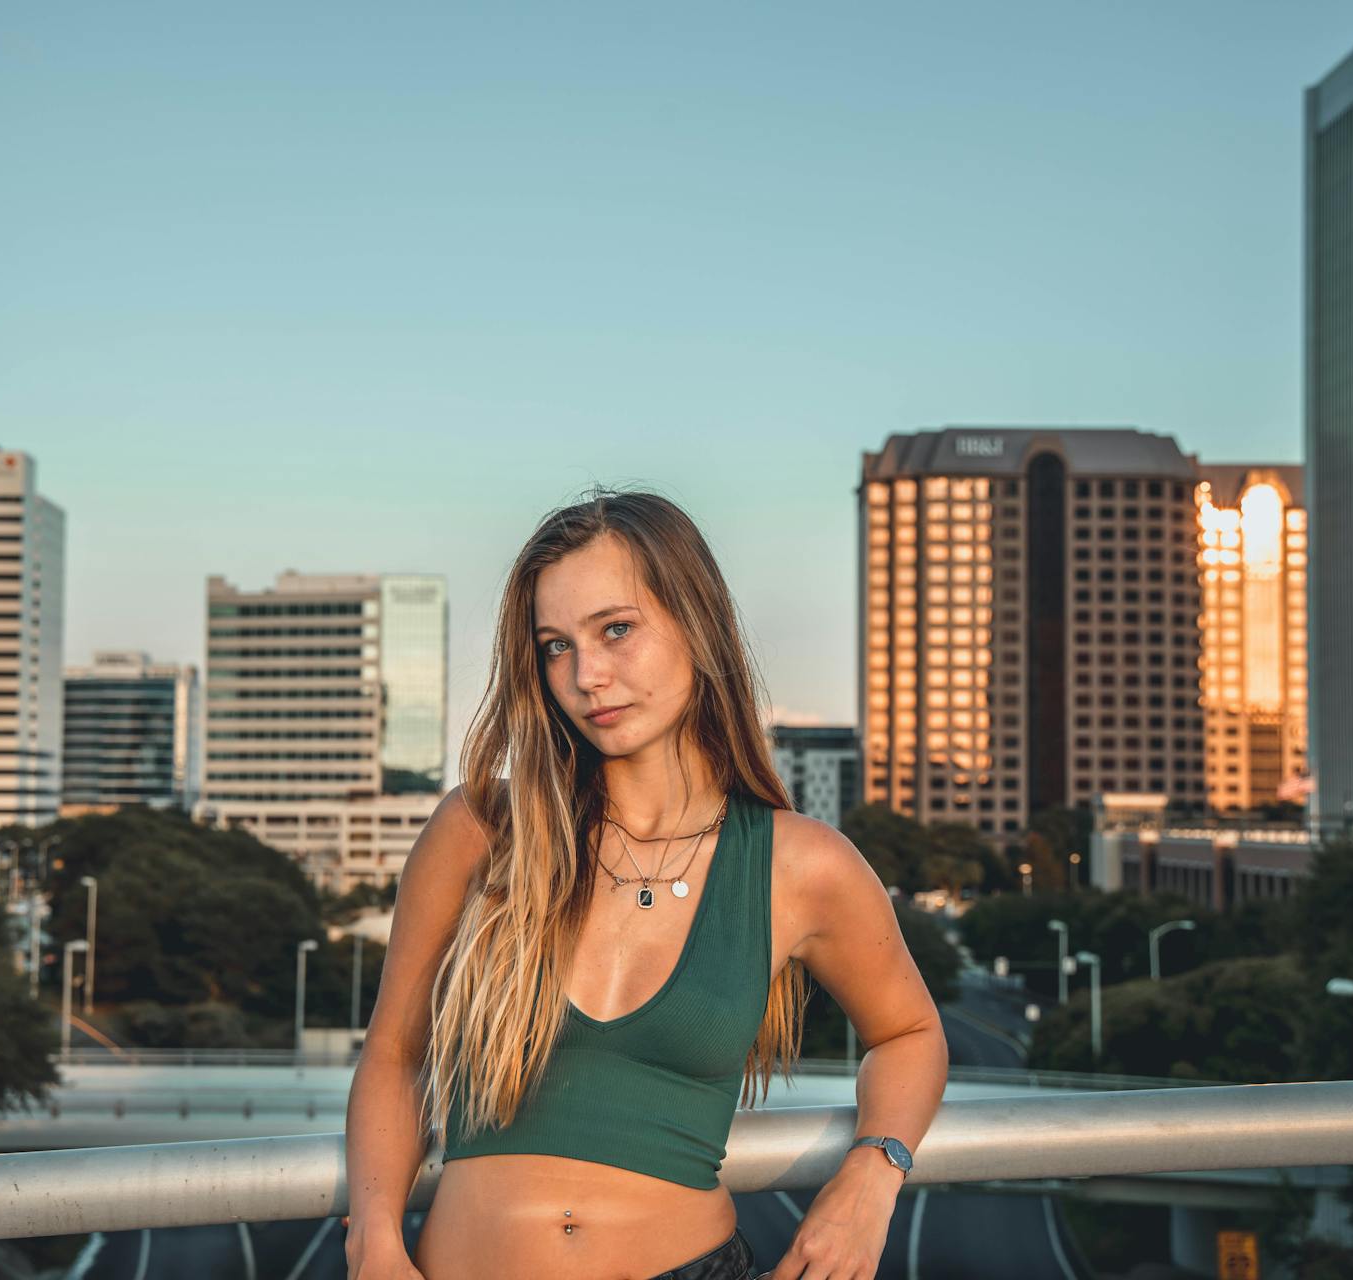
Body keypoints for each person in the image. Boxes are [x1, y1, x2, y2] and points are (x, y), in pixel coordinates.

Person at [344, 488, 948, 1280]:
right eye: (556, 645)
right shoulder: (483, 830)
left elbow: (910, 1035)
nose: (587, 675)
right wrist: (375, 1243)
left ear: (697, 624)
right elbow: (394, 1054)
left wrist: (873, 1173)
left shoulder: (800, 866)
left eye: (616, 630)